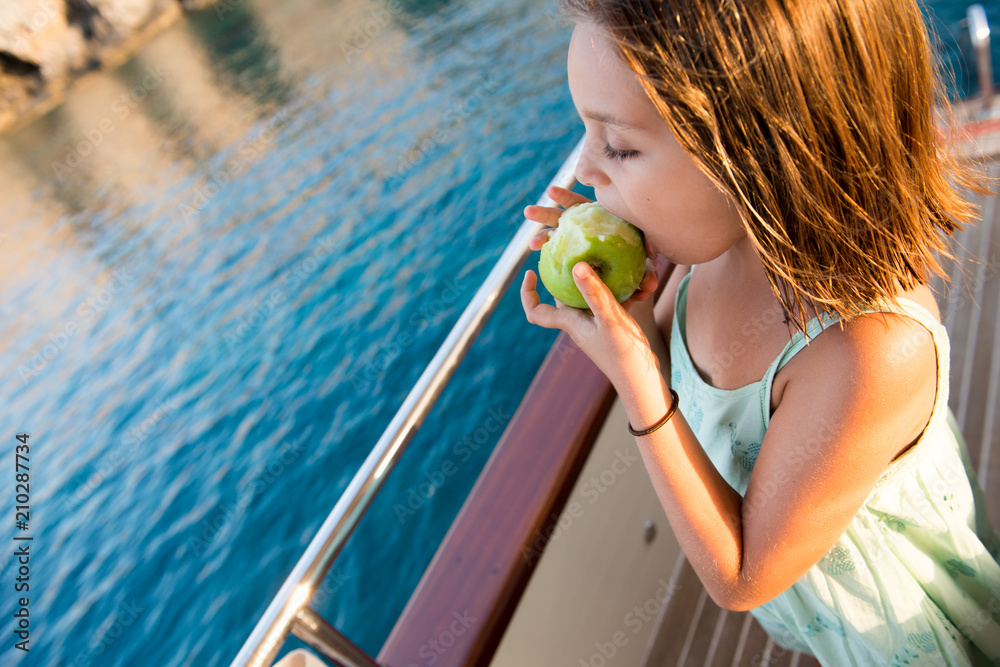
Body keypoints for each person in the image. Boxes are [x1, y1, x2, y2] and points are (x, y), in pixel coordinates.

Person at [519, 0, 1000, 664]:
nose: (584, 172)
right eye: (588, 134)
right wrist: (629, 316)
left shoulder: (869, 350)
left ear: (760, 153)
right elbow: (670, 368)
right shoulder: (705, 259)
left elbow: (743, 575)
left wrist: (636, 381)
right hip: (823, 619)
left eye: (620, 146)